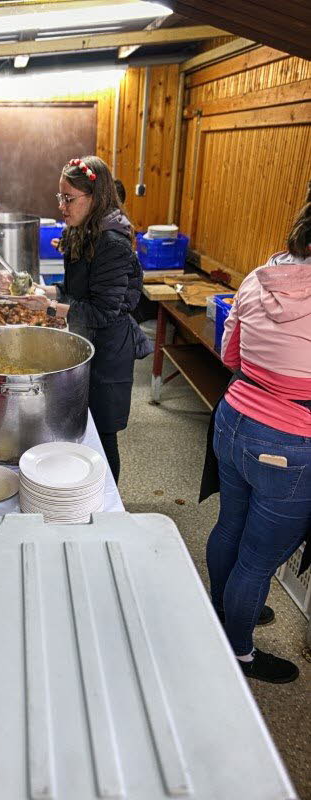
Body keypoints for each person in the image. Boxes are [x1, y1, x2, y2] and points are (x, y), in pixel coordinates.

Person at [201, 186, 311, 683]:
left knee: (230, 526)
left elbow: (231, 357)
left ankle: (225, 611)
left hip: (233, 420)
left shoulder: (257, 277)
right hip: (289, 442)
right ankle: (238, 650)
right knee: (258, 560)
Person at [16, 156, 151, 483]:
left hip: (108, 352)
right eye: (60, 197)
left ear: (95, 197)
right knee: (78, 427)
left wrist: (48, 309)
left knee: (103, 436)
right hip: (84, 342)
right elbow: (78, 291)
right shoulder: (81, 232)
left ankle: (105, 505)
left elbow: (102, 311)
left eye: (69, 198)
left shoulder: (112, 241)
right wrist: (45, 290)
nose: (62, 206)